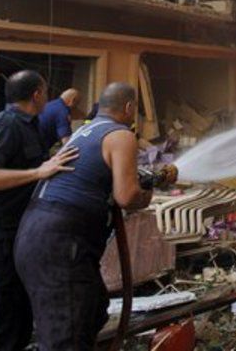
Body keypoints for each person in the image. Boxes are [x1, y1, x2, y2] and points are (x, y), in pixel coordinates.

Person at [14, 82, 152, 350]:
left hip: (34, 232)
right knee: (68, 335)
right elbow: (127, 197)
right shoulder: (121, 135)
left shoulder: (83, 131)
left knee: (93, 309)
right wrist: (147, 193)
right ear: (129, 107)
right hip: (62, 241)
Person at [0, 70, 79, 351]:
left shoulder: (28, 125)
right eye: (45, 91)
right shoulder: (4, 126)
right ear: (37, 94)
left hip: (10, 243)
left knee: (13, 329)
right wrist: (37, 172)